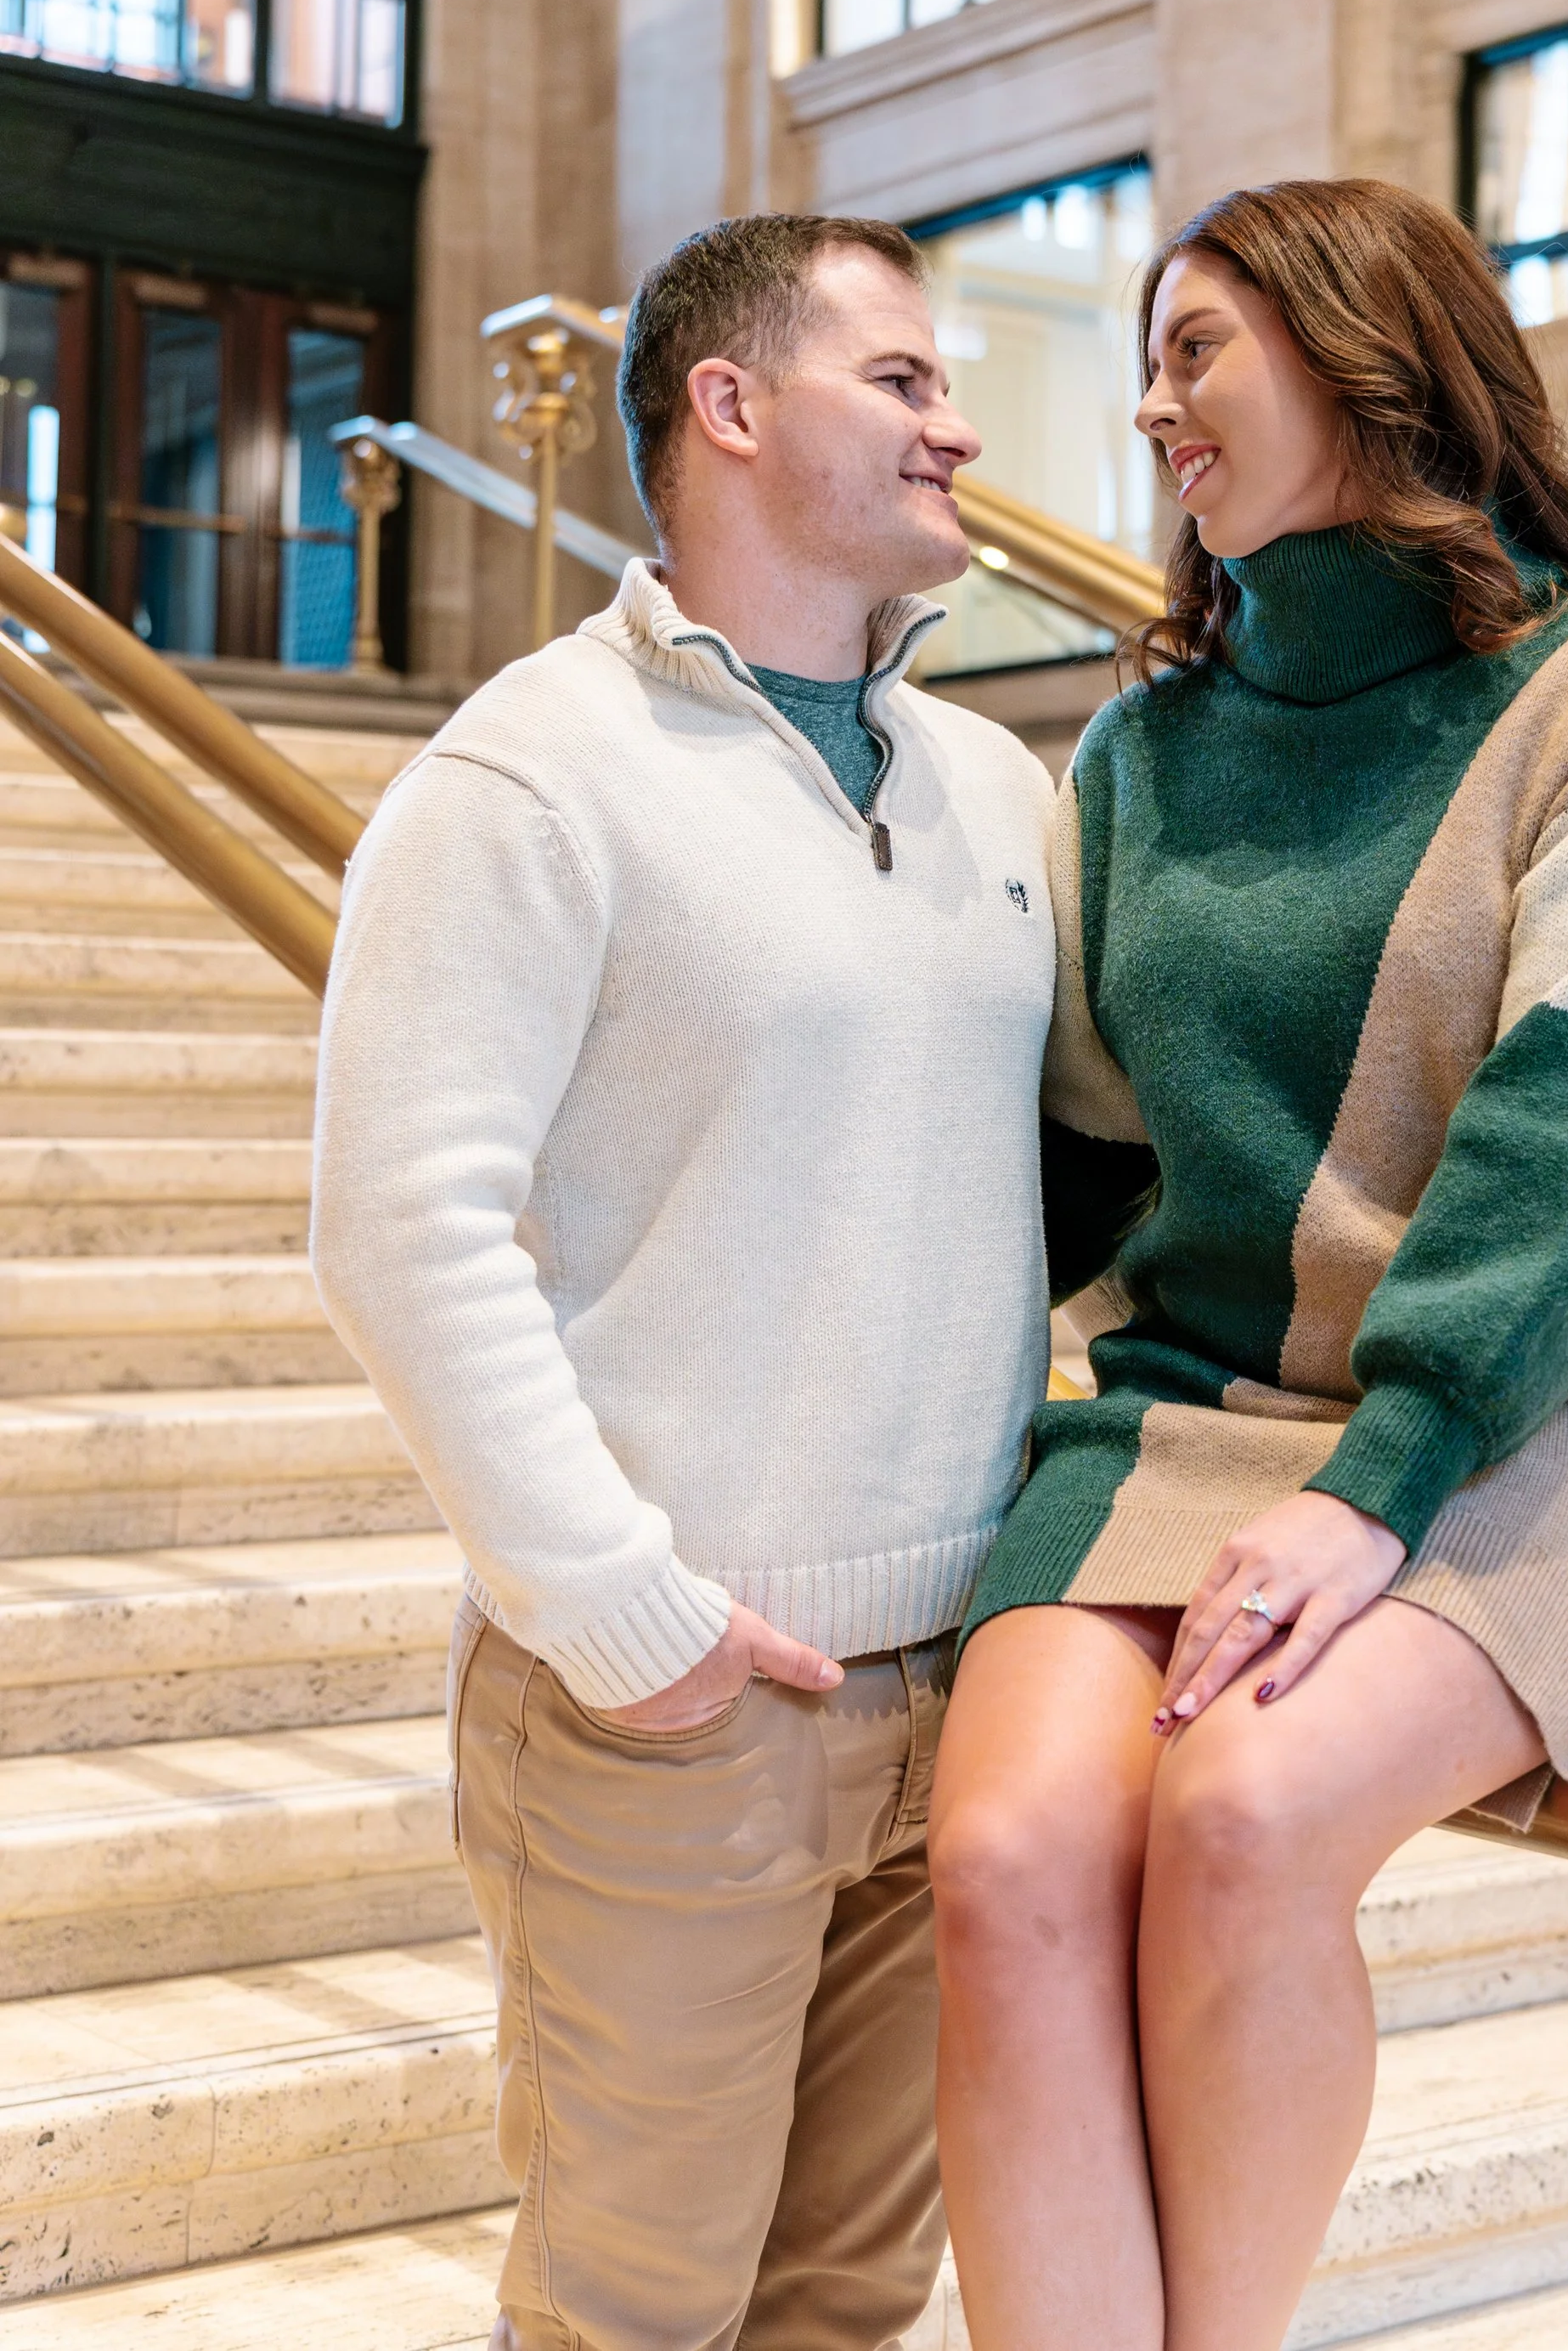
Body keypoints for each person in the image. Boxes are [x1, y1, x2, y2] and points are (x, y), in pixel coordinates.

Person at [928, 177, 1568, 2351]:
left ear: (1357, 350)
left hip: (1523, 1421)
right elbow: (1093, 1165)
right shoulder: (1130, 752)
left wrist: (1373, 1483)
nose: (1147, 406)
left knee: (1241, 1814)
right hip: (1184, 1421)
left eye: (1193, 346)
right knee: (1007, 1869)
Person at [310, 212, 1058, 2351]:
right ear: (727, 407)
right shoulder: (530, 773)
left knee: (840, 2299)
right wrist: (619, 1613)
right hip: (673, 1715)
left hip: (960, 1694)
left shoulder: (992, 780)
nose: (961, 426)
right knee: (634, 2312)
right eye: (902, 382)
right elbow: (398, 1222)